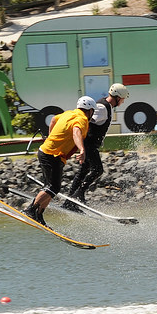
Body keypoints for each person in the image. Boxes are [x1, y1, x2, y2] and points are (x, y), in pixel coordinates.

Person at [23, 96, 95, 228]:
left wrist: (50, 137)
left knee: (49, 187)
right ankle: (30, 210)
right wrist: (82, 149)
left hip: (47, 152)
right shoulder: (82, 119)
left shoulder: (68, 113)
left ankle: (38, 215)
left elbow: (53, 120)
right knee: (53, 187)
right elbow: (76, 132)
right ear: (90, 111)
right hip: (52, 155)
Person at [66, 83, 129, 206]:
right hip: (89, 144)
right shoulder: (102, 107)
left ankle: (69, 200)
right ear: (117, 97)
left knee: (84, 171)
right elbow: (85, 121)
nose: (122, 102)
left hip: (90, 144)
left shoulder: (106, 105)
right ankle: (79, 193)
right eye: (122, 99)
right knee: (97, 170)